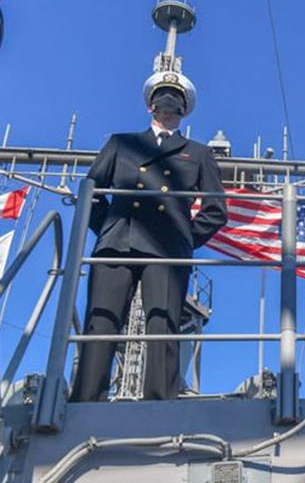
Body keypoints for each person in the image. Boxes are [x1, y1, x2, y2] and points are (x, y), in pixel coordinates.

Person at [70, 72, 227, 402]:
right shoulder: (120, 144)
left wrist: (182, 238)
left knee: (163, 325)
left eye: (175, 98)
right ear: (150, 106)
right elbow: (91, 194)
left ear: (184, 109)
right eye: (163, 97)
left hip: (167, 249)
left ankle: (159, 403)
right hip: (118, 242)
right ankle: (86, 400)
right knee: (102, 321)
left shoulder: (198, 153)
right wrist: (111, 229)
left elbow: (216, 210)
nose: (168, 104)